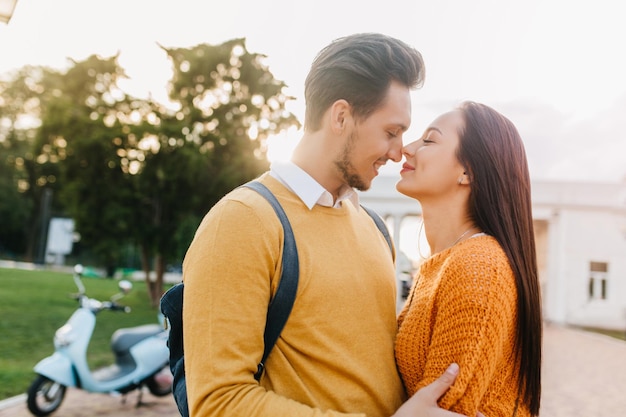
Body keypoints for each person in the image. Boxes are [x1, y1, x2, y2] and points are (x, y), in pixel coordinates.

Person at [182, 33, 478, 417]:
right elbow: (218, 403)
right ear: (341, 116)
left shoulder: (374, 228)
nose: (397, 151)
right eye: (390, 132)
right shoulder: (242, 221)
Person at [394, 101, 543, 416]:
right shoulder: (441, 265)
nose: (407, 148)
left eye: (429, 140)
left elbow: (442, 408)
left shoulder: (479, 266)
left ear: (467, 172)